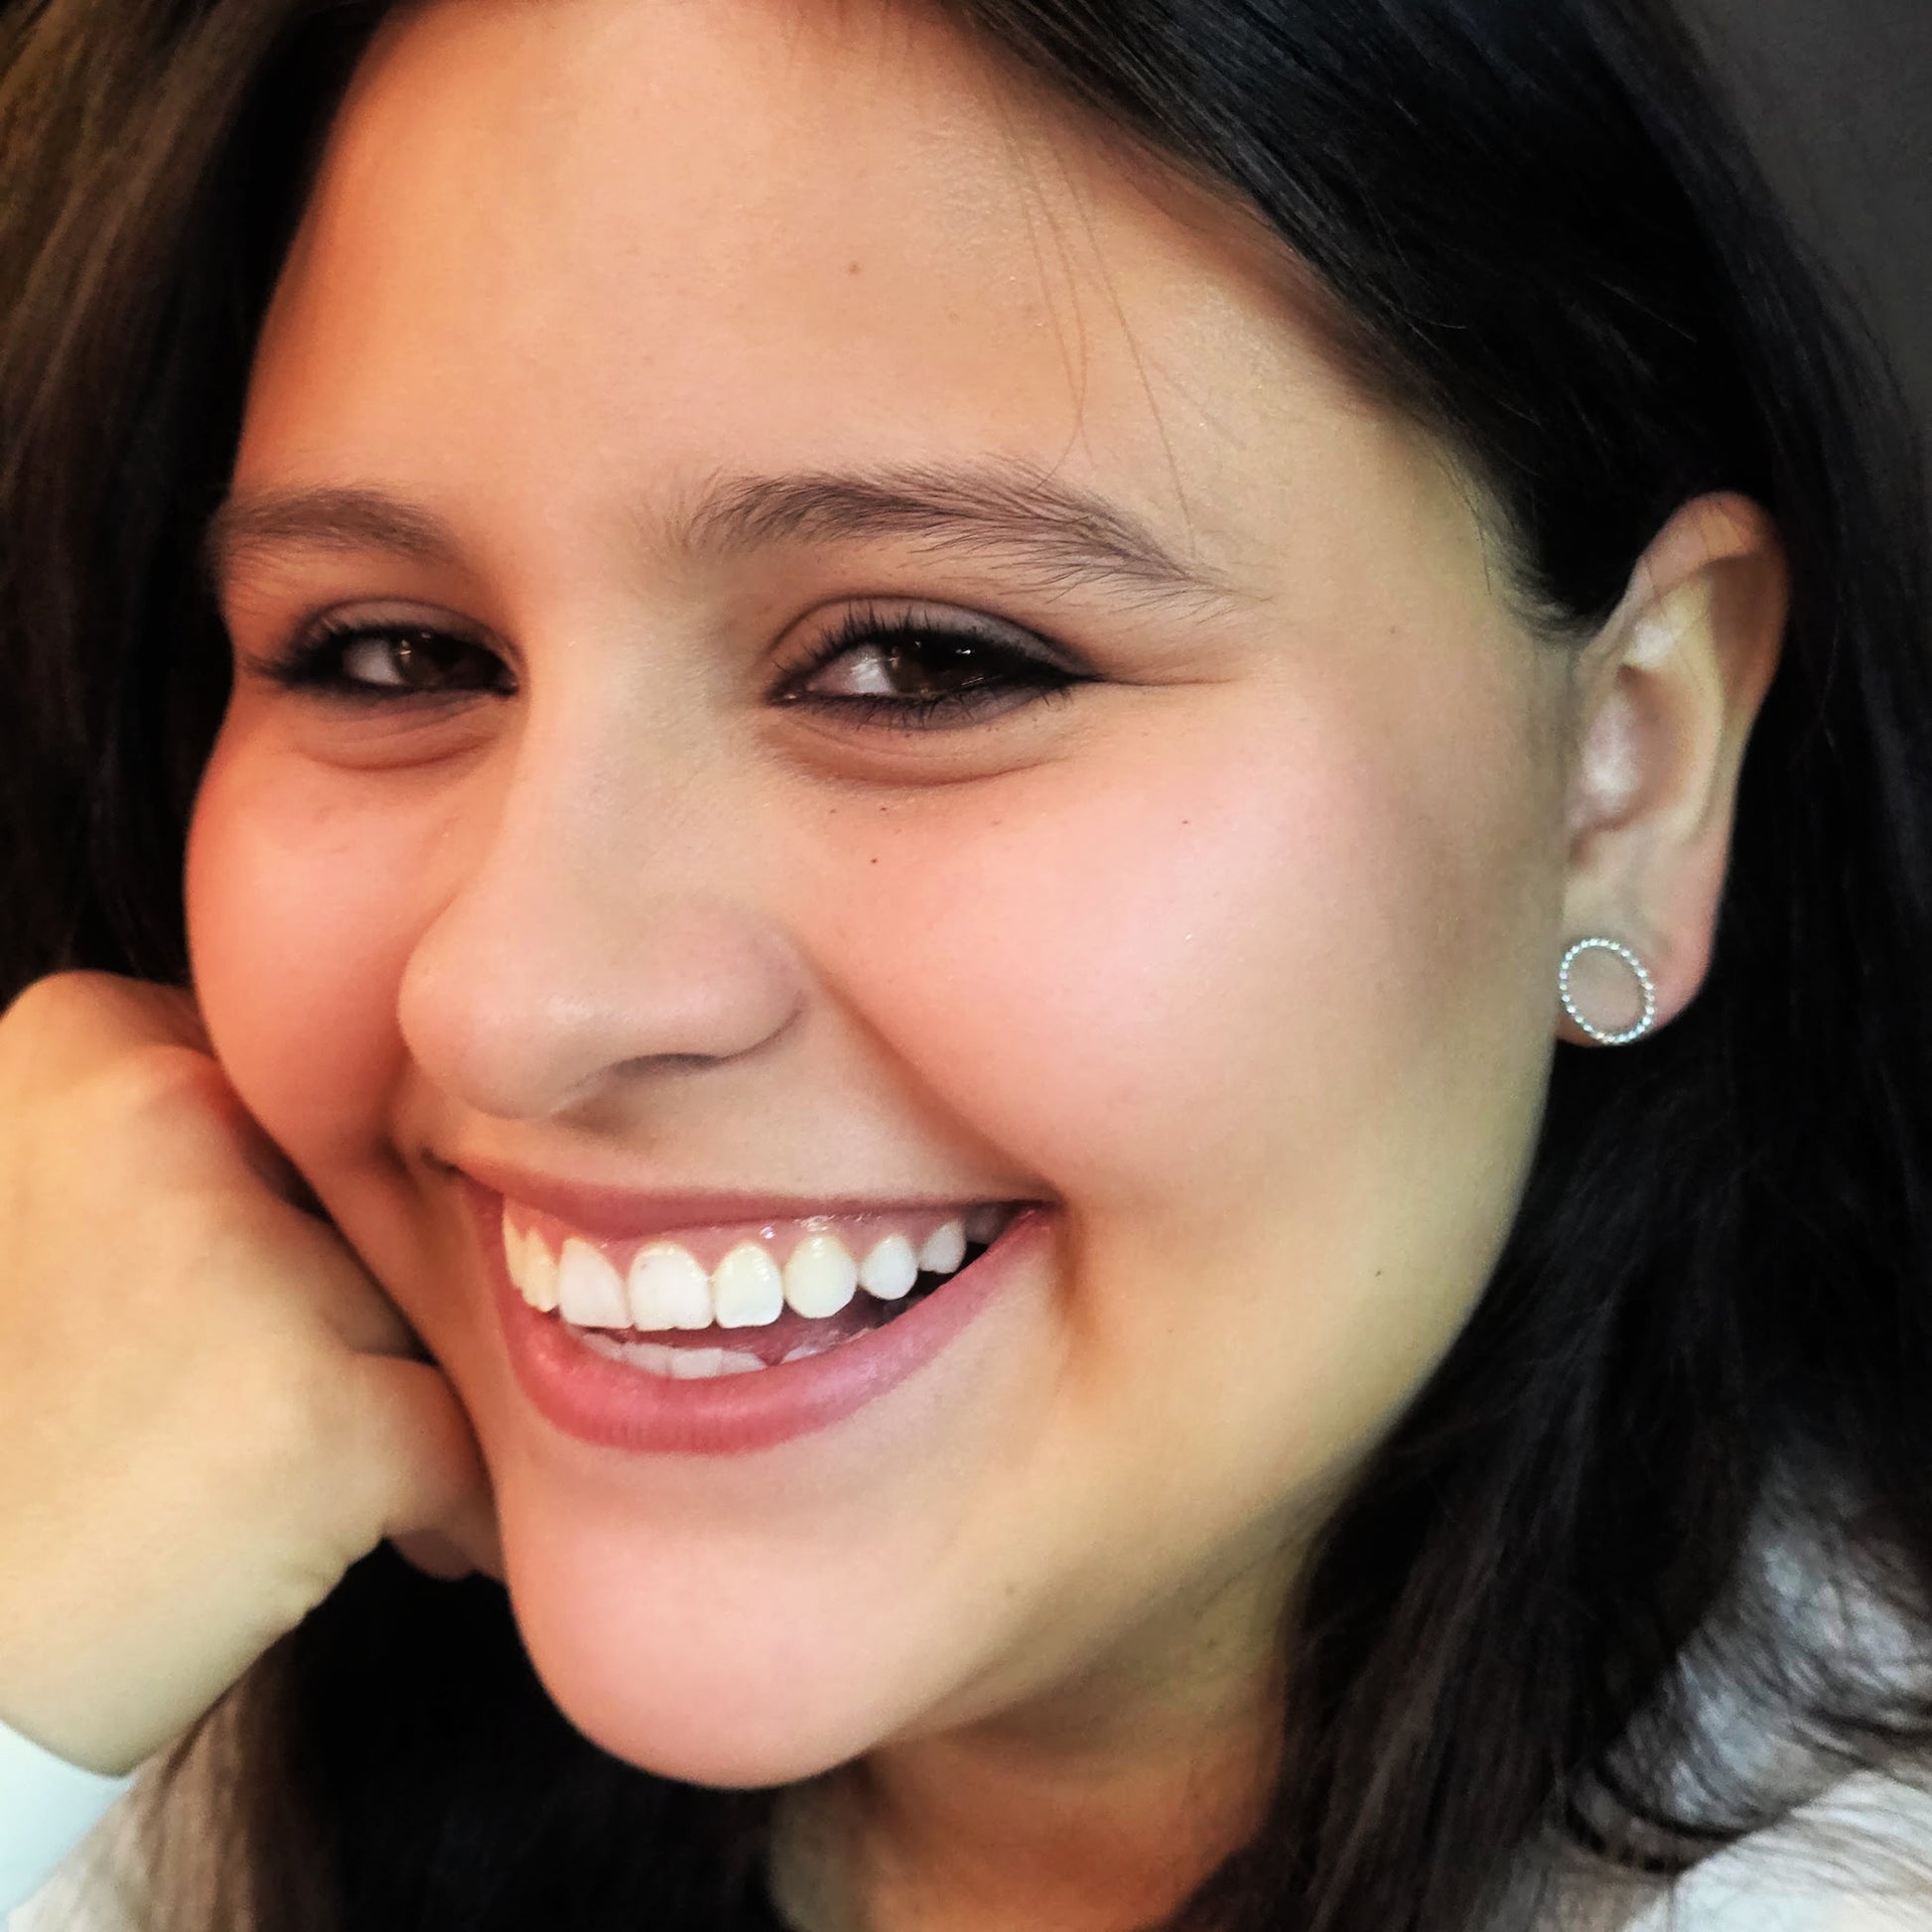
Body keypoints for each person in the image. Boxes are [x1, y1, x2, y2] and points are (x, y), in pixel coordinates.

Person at [2, 0, 1930, 1926]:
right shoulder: (119, 1672)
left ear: (1629, 769)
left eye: (927, 659)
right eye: (389, 653)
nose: (514, 999)